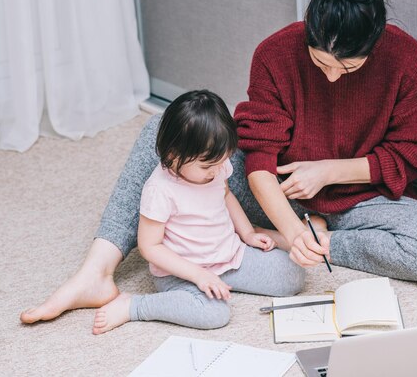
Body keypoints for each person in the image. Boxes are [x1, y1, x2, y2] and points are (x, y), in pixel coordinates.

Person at [20, 0, 417, 326]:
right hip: (273, 192)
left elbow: (413, 153)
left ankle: (325, 240)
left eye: (347, 67)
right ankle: (95, 271)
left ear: (375, 44)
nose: (332, 77)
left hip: (361, 198)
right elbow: (258, 158)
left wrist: (327, 173)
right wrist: (292, 232)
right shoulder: (276, 53)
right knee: (163, 131)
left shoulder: (405, 58)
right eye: (320, 63)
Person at [90, 90, 305, 334]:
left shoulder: (216, 167)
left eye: (221, 161)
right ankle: (134, 306)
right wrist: (199, 275)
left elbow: (225, 195)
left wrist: (247, 234)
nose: (216, 170)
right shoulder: (159, 190)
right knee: (214, 313)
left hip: (228, 256)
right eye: (207, 166)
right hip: (181, 273)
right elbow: (150, 247)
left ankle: (220, 280)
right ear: (173, 156)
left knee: (293, 275)